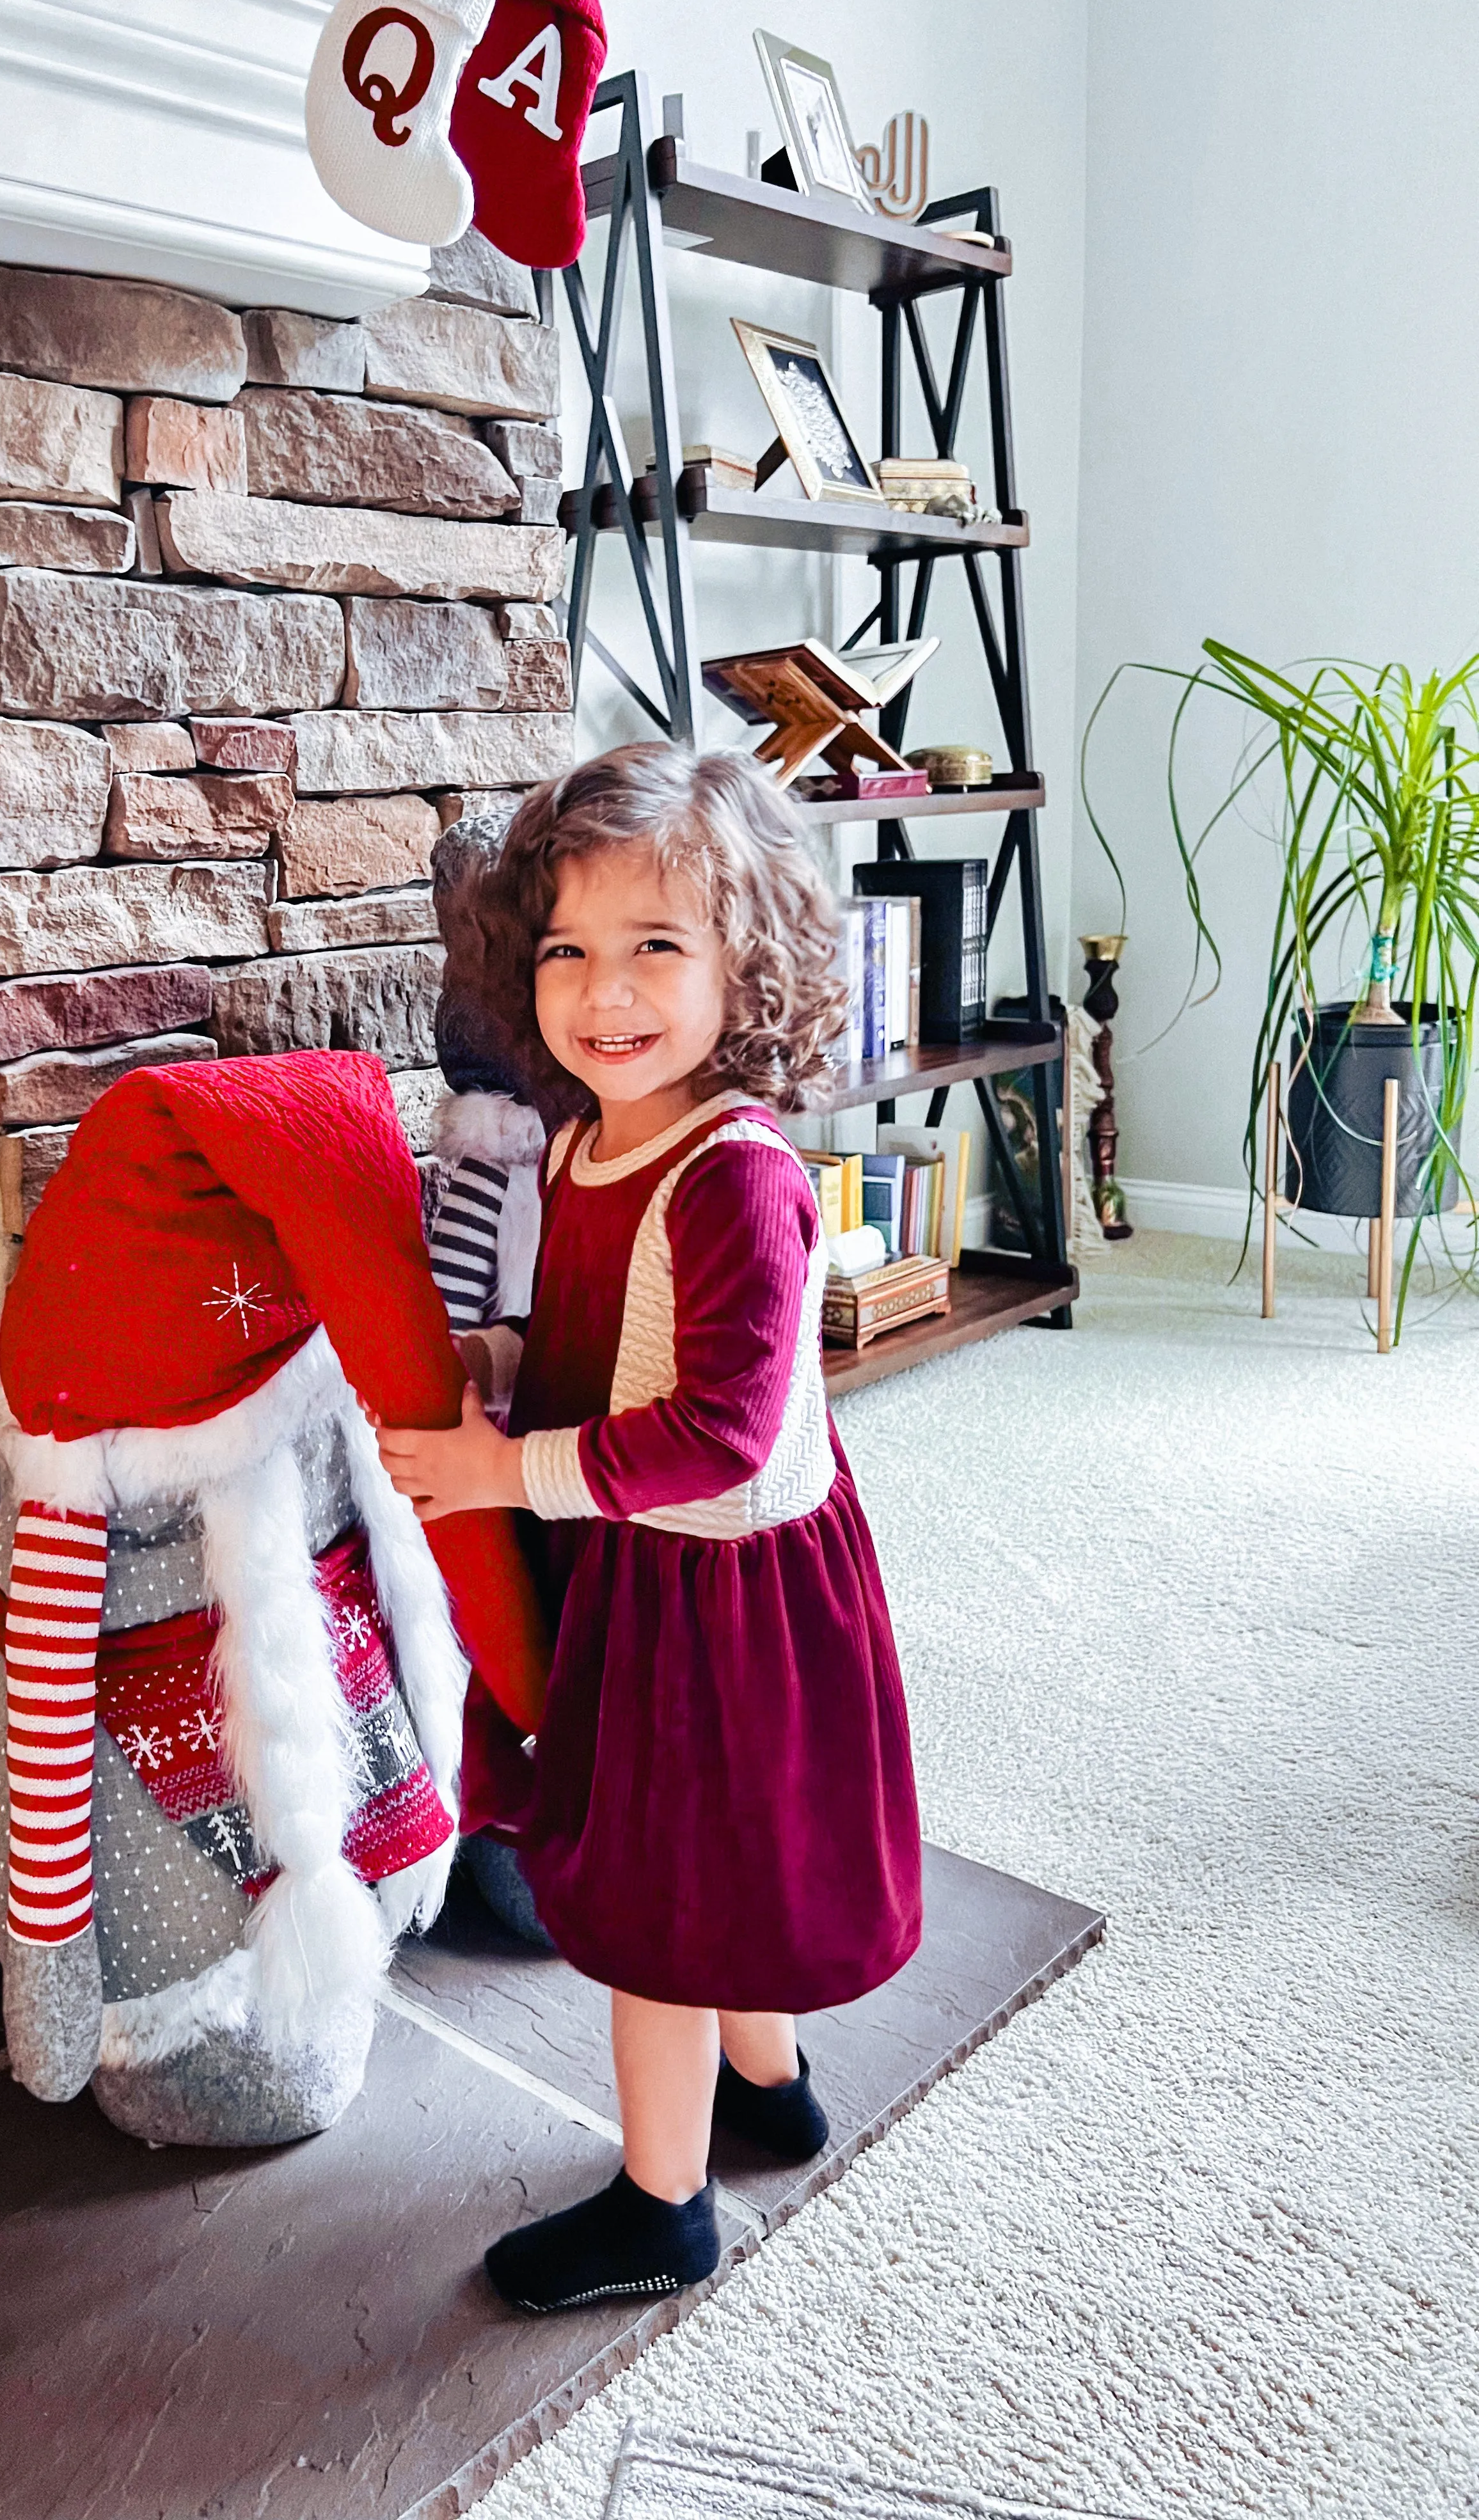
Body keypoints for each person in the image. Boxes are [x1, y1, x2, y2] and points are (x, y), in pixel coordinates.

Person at [374, 742, 923, 2313]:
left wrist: (500, 1478)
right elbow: (597, 1339)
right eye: (568, 952)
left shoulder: (740, 1177)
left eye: (654, 947)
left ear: (748, 965)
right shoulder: (579, 1144)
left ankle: (661, 2206)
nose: (603, 992)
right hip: (642, 1566)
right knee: (719, 1864)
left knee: (663, 1915)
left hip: (729, 1592)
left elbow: (719, 1432)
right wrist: (490, 1367)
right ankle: (767, 2085)